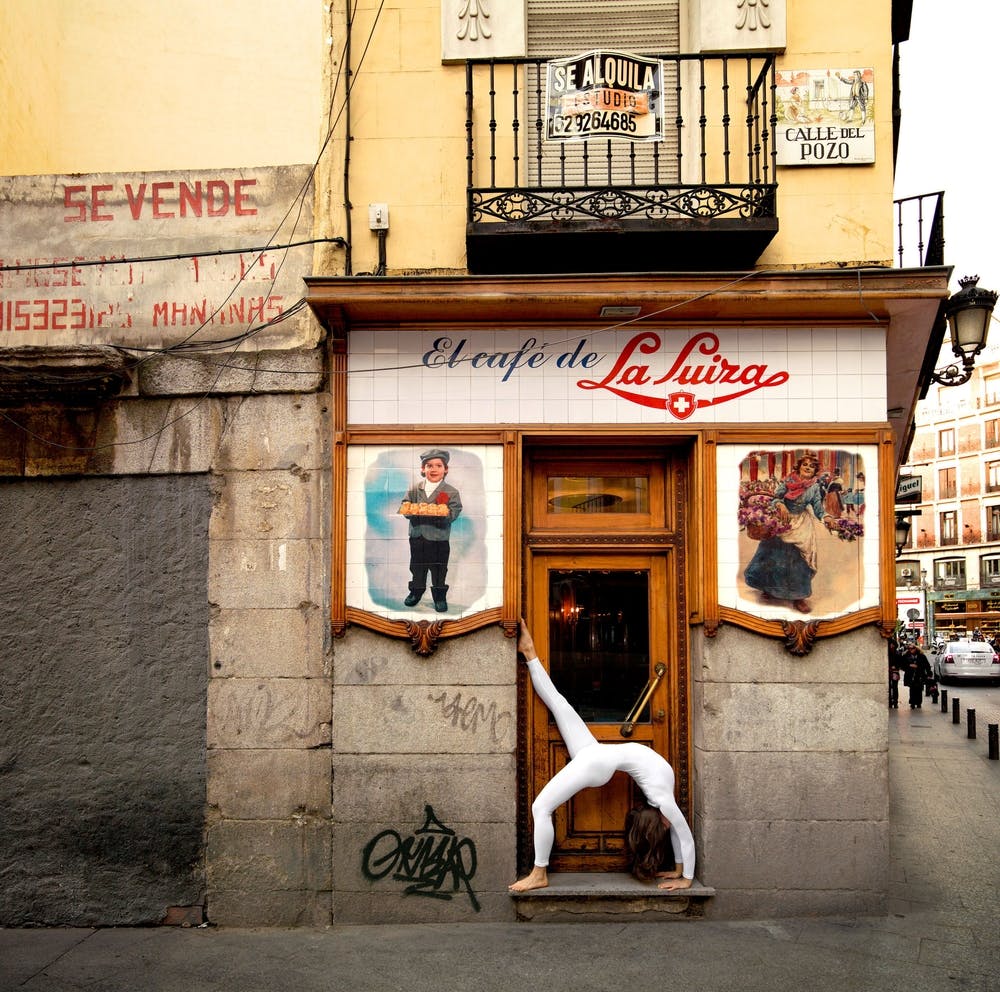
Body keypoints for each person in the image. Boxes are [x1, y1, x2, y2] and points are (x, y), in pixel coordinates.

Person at [508, 621, 695, 893]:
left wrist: (685, 878)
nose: (671, 825)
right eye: (668, 826)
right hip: (595, 753)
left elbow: (681, 834)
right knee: (559, 704)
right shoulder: (664, 801)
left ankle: (539, 873)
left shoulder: (663, 799)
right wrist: (681, 872)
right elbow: (682, 834)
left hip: (598, 760)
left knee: (541, 807)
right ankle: (529, 652)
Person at [743, 450, 838, 613]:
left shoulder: (815, 487)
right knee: (772, 555)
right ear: (799, 467)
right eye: (805, 465)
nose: (807, 468)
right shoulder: (789, 480)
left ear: (815, 471)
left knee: (798, 560)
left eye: (811, 466)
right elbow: (775, 497)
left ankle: (798, 597)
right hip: (782, 520)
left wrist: (827, 518)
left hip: (801, 524)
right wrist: (780, 505)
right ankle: (768, 588)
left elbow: (818, 508)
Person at [399, 448, 462, 612]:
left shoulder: (451, 491)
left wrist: (442, 514)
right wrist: (409, 510)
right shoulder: (414, 489)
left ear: (445, 469)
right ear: (423, 469)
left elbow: (455, 511)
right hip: (417, 536)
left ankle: (439, 597)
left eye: (438, 465)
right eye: (429, 465)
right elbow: (405, 505)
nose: (434, 469)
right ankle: (416, 592)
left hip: (439, 538)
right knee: (417, 566)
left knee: (439, 568)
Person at [902, 642, 932, 709]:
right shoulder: (906, 656)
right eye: (909, 648)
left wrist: (929, 673)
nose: (911, 650)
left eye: (912, 648)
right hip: (910, 675)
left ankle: (918, 703)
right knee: (912, 689)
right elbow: (902, 665)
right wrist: (909, 665)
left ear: (915, 648)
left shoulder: (921, 656)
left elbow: (926, 665)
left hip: (919, 674)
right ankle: (912, 703)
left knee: (919, 689)